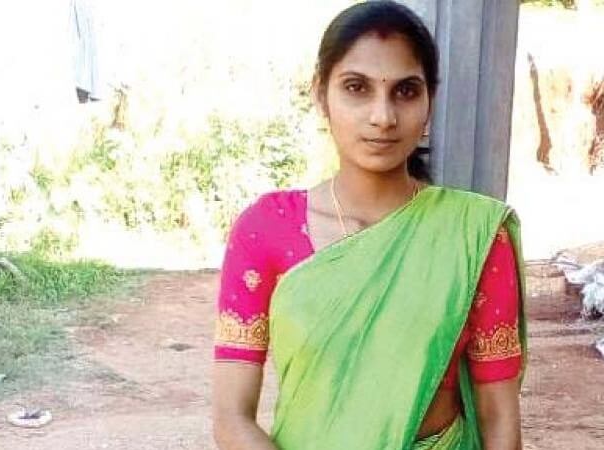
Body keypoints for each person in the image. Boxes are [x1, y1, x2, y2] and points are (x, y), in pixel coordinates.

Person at [211, 2, 526, 449]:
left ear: (430, 101)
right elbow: (230, 418)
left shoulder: (474, 235)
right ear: (320, 94)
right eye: (356, 88)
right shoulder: (265, 230)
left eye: (405, 91)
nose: (383, 116)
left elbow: (500, 419)